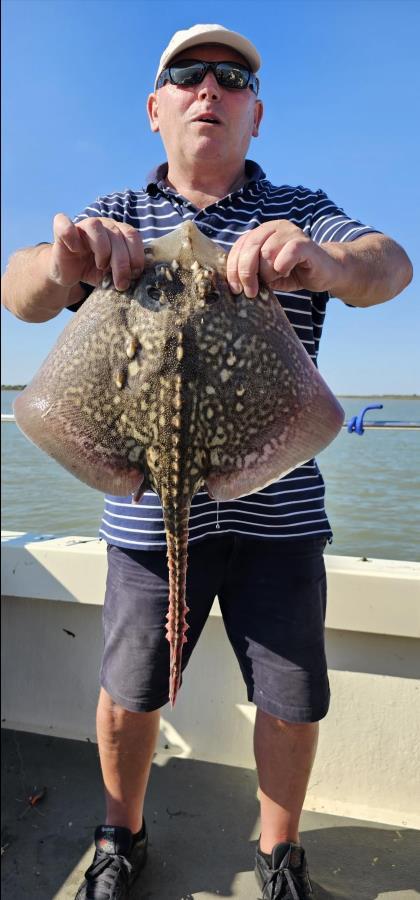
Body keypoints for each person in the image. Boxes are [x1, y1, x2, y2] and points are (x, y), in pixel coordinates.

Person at [2, 22, 412, 900]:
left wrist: (327, 260)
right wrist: (63, 260)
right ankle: (121, 835)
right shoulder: (117, 209)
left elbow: (391, 264)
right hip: (145, 515)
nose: (209, 89)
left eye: (232, 78)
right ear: (157, 108)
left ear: (254, 114)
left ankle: (278, 854)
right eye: (188, 75)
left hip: (281, 510)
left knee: (292, 699)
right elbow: (21, 288)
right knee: (129, 690)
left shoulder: (297, 207)